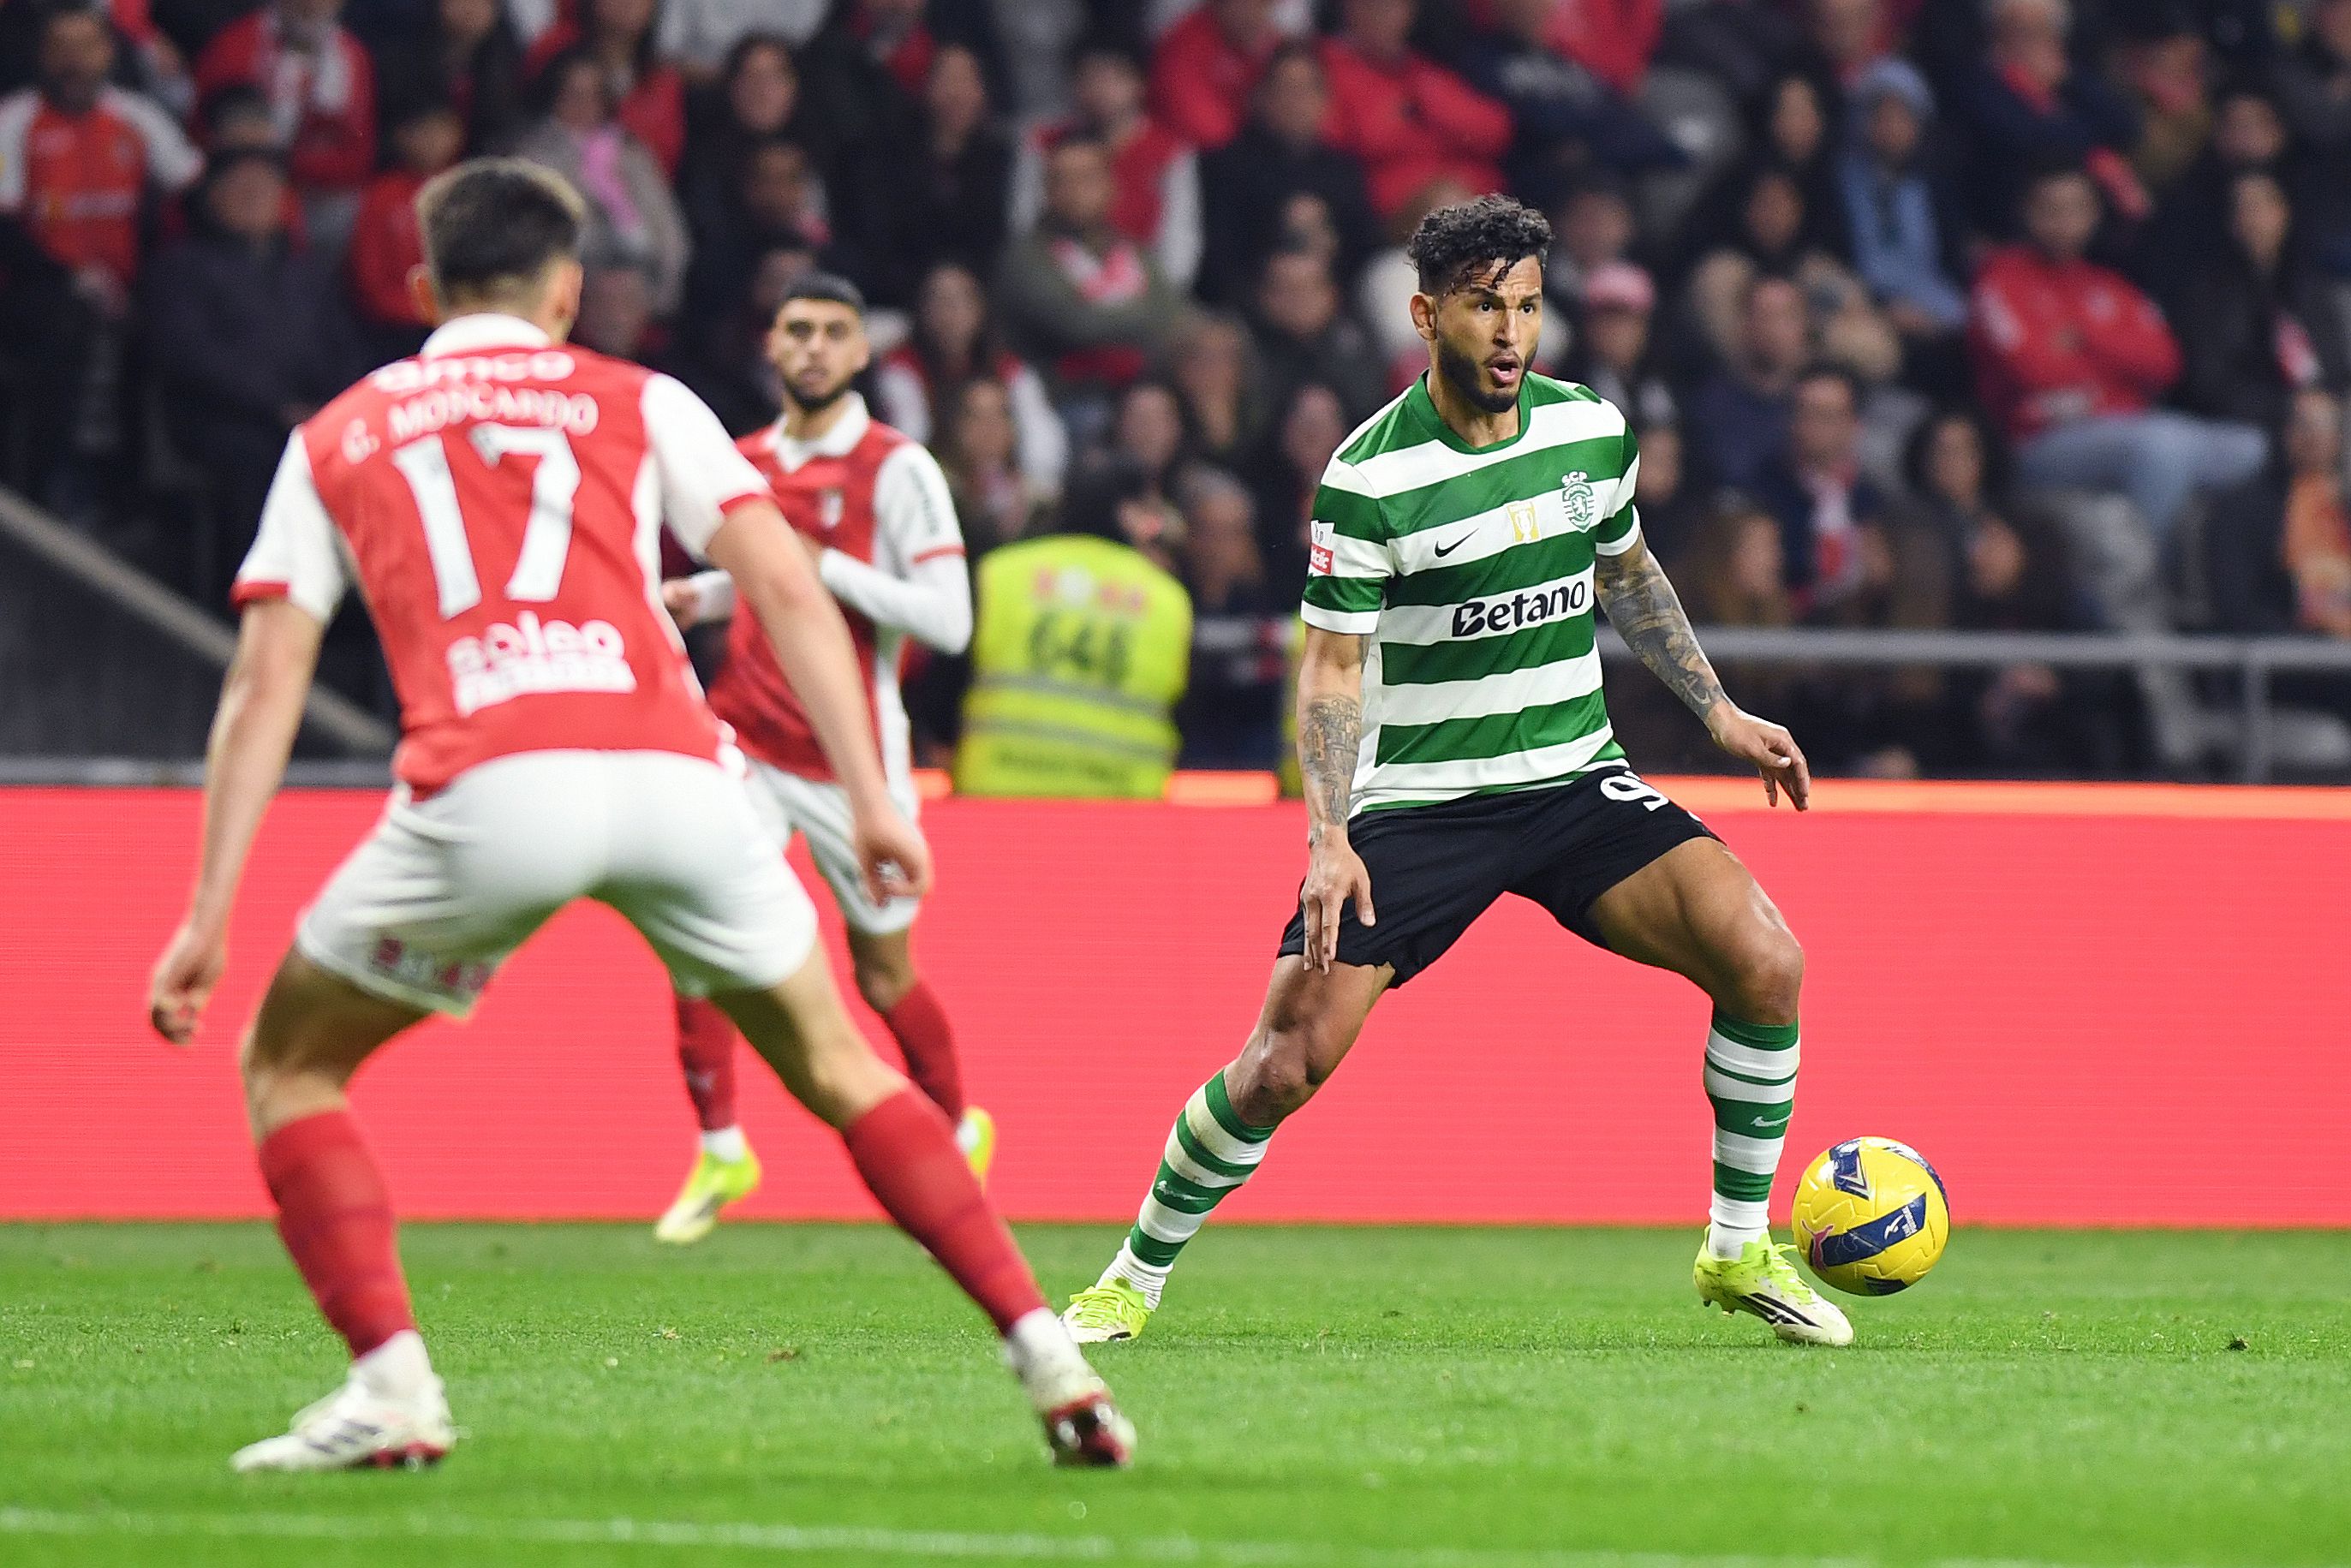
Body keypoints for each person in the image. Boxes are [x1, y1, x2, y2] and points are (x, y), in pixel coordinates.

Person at [143, 158, 1131, 1472]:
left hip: (490, 779)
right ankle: (1049, 1356)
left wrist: (209, 910)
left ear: (426, 286)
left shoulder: (336, 432)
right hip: (680, 772)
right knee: (843, 1065)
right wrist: (878, 789)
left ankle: (390, 1386)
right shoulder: (641, 396)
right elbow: (780, 579)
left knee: (291, 1064)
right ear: (565, 291)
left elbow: (264, 678)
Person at [1059, 194, 1850, 1350]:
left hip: (1573, 782)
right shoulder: (1369, 479)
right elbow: (1330, 669)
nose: (1509, 334)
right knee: (1285, 1062)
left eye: (1526, 307)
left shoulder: (1587, 432)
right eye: (1484, 306)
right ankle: (1130, 1275)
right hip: (1422, 803)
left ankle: (1736, 1247)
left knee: (1764, 957)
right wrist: (1329, 833)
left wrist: (1716, 707)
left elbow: (1628, 577)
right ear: (1428, 314)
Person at [652, 271, 992, 1243]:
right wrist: (704, 599)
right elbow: (760, 577)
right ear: (772, 345)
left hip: (854, 763)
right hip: (743, 740)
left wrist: (823, 564)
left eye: (831, 332)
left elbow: (950, 622)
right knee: (698, 943)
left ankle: (957, 1128)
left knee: (882, 974)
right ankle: (722, 1148)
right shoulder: (743, 459)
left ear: (859, 354)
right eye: (795, 329)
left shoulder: (899, 467)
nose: (810, 346)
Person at [1970, 160, 2266, 547]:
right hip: (2037, 442)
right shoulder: (2001, 277)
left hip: (2123, 427)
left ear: (2094, 214)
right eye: (2050, 208)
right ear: (2028, 212)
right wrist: (2114, 364)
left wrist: (2086, 338)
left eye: (2075, 208)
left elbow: (2166, 363)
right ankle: (2139, 575)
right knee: (2160, 444)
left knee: (2251, 448)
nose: (2062, 220)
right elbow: (2033, 370)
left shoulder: (2109, 285)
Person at [955, 456, 1194, 798]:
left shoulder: (1000, 573)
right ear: (1127, 513)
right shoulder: (1167, 598)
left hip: (998, 798)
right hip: (1122, 810)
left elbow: (946, 688)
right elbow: (1186, 712)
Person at [1195, 41, 1379, 309]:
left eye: (1306, 90)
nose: (1296, 102)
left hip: (1334, 311)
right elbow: (1219, 262)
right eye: (1286, 89)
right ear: (1262, 97)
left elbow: (1365, 253)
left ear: (1324, 100)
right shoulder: (1224, 167)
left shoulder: (1345, 171)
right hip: (1247, 310)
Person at [194, 0, 377, 253]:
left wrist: (293, 163)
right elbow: (205, 132)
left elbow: (357, 156)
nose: (312, 6)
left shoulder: (352, 55)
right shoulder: (238, 43)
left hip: (320, 195)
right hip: (248, 179)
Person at [874, 261, 1067, 501]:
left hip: (1008, 481)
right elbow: (910, 436)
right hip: (936, 480)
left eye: (962, 300)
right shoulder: (902, 366)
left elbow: (1039, 432)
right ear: (922, 309)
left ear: (981, 307)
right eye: (940, 302)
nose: (952, 313)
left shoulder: (1008, 366)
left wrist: (1036, 486)